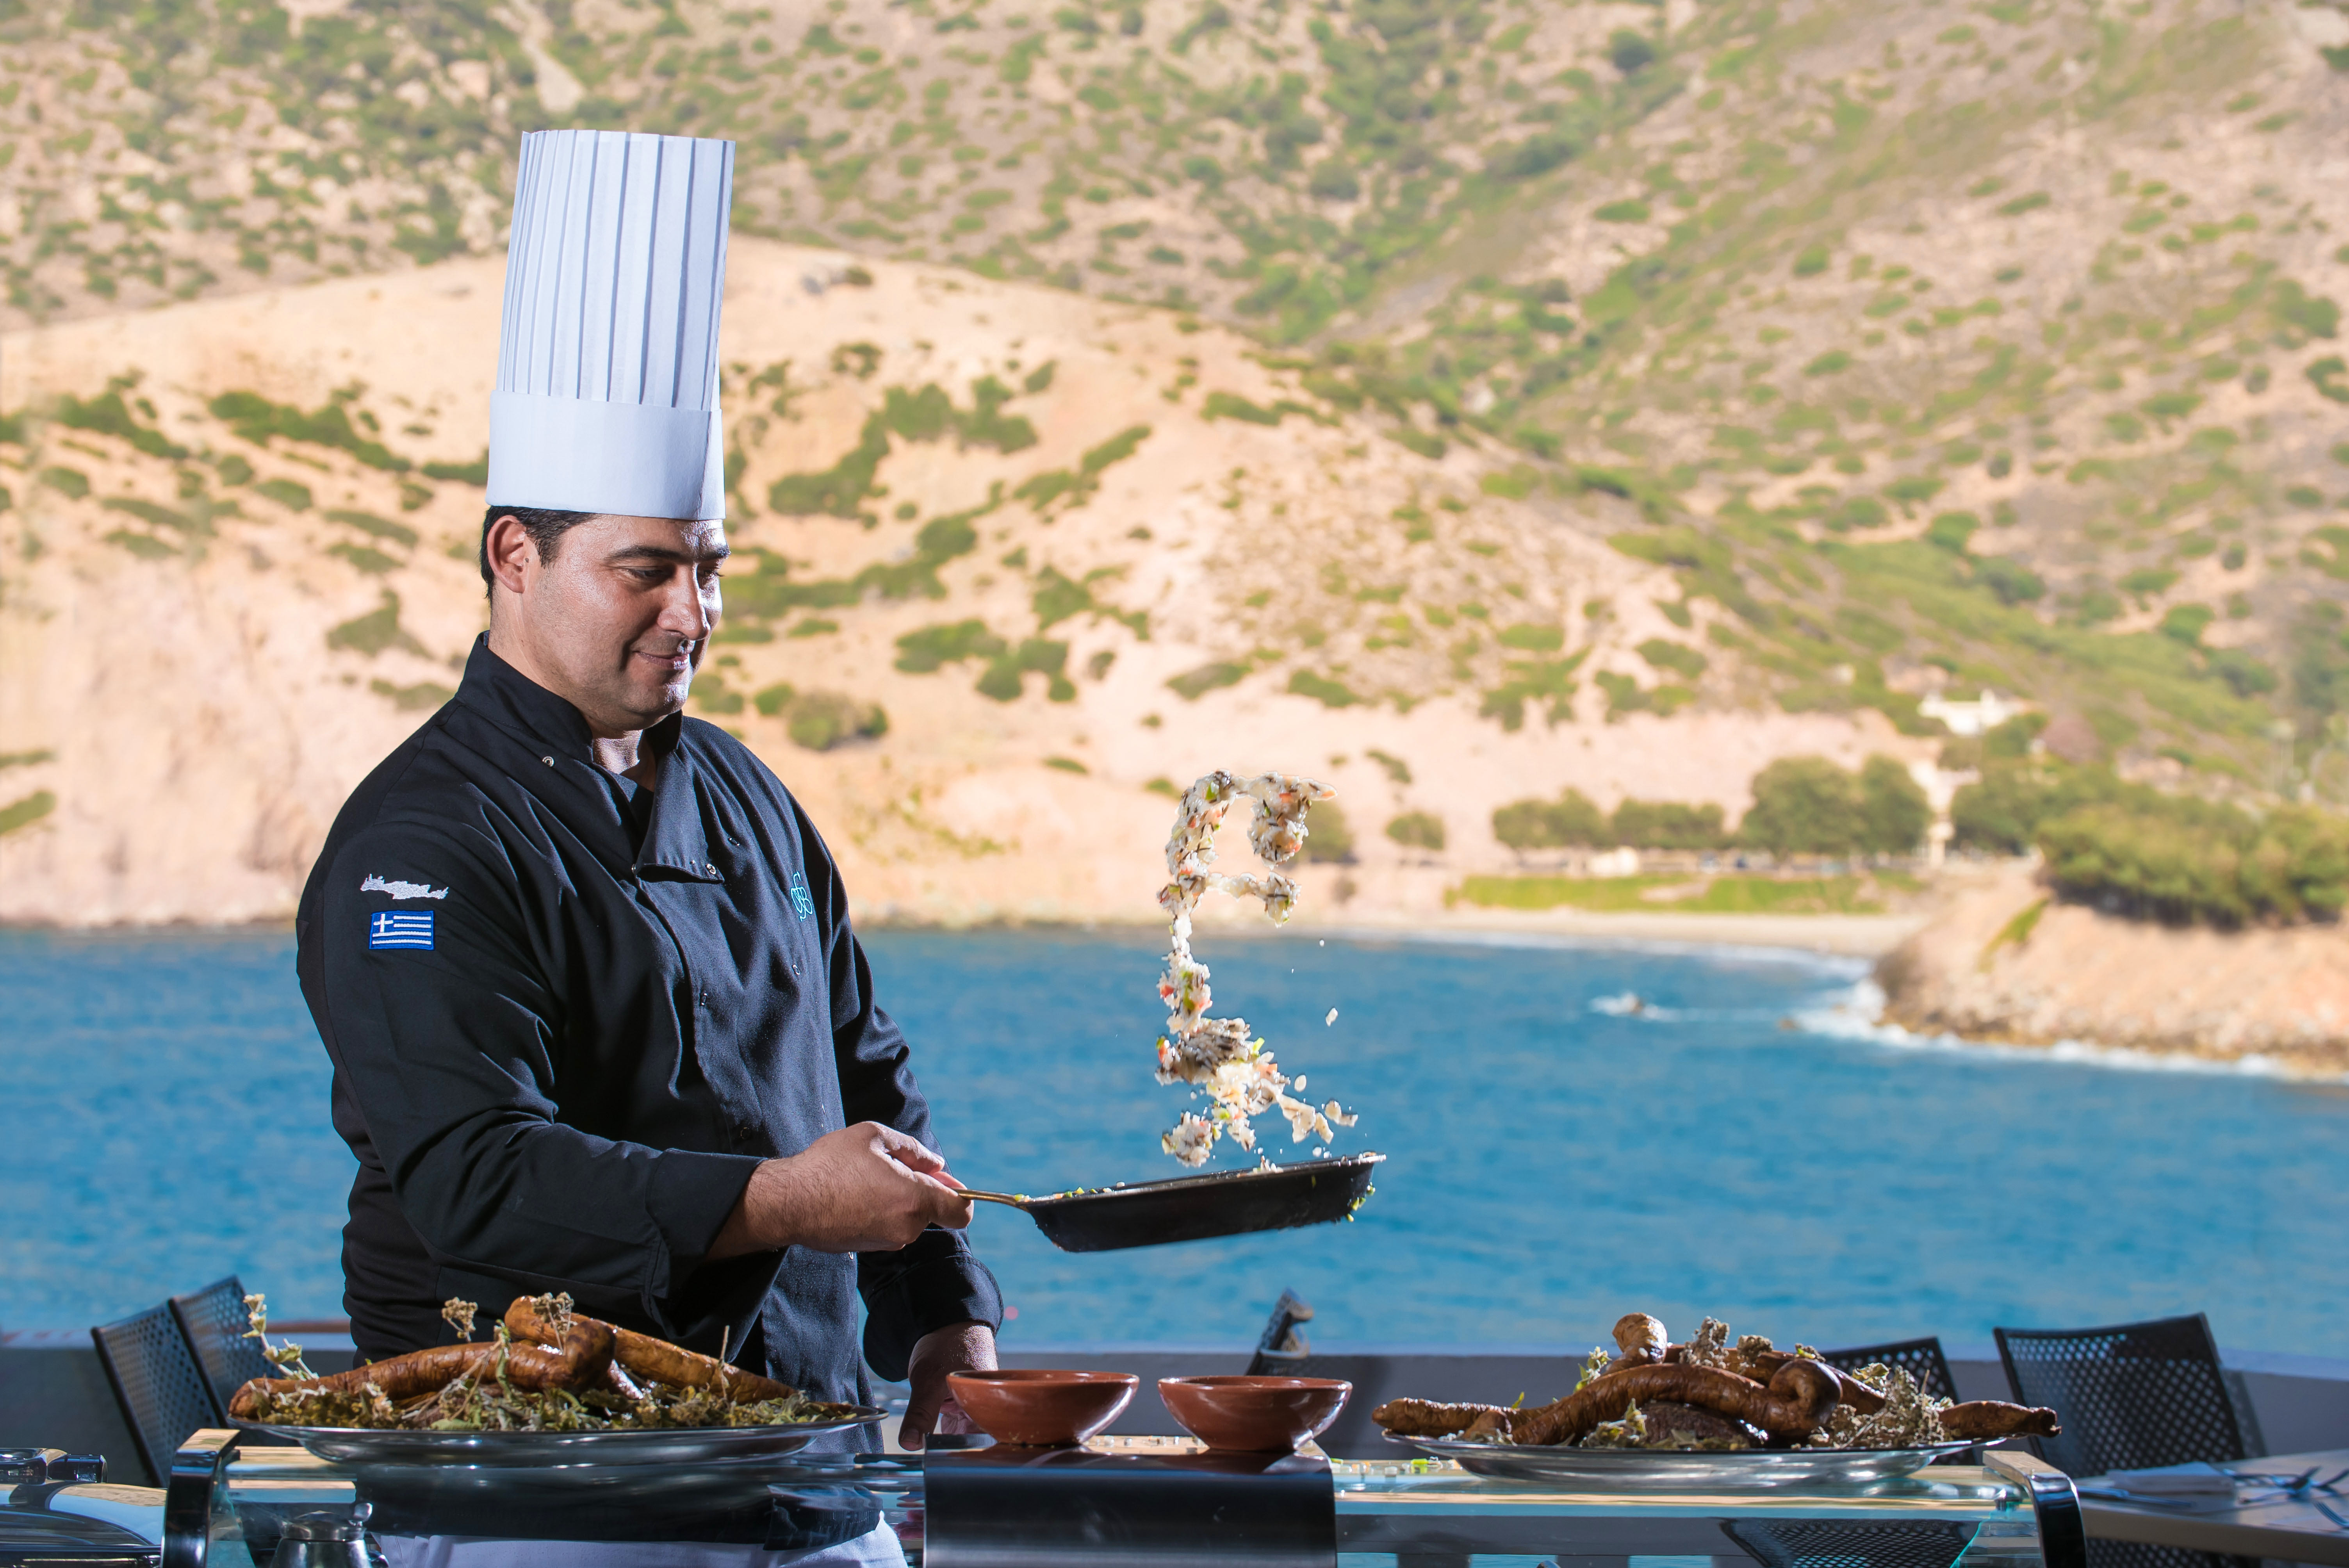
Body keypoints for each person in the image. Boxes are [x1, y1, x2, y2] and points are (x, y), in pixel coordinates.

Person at [292, 131, 1001, 1474]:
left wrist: (941, 1318)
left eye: (712, 570)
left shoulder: (740, 788)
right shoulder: (421, 847)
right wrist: (792, 1198)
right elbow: (478, 1176)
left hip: (803, 1452)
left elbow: (862, 1063)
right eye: (646, 571)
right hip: (535, 1479)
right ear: (516, 557)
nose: (696, 614)